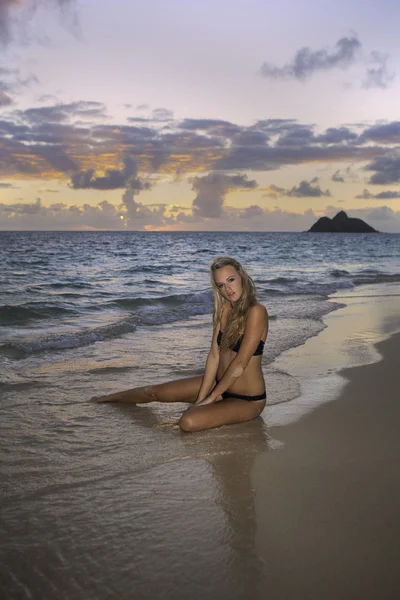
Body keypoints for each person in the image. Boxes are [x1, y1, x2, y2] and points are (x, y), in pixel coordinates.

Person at [92, 256, 269, 432]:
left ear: (241, 277)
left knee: (188, 422)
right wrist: (202, 398)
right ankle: (106, 399)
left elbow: (240, 363)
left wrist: (211, 398)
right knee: (154, 392)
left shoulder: (256, 312)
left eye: (231, 280)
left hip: (247, 399)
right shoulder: (223, 310)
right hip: (218, 384)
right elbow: (214, 356)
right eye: (221, 285)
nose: (228, 288)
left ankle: (213, 405)